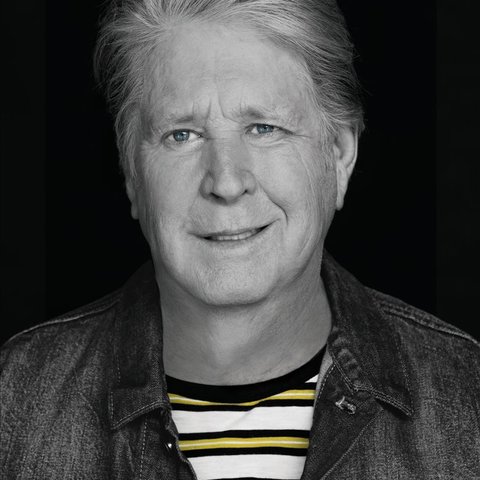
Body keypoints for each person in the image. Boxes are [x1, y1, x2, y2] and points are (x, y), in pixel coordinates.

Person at [1, 0, 479, 478]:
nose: (226, 182)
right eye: (182, 135)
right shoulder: (14, 405)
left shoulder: (467, 399)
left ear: (339, 156)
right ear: (132, 174)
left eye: (264, 128)